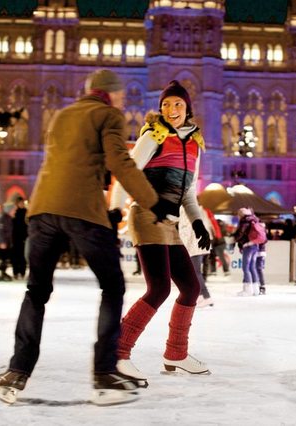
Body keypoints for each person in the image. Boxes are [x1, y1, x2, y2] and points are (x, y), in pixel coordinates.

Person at [0, 69, 159, 406]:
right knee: (112, 285)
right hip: (81, 211)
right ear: (109, 94)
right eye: (121, 95)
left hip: (42, 210)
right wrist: (153, 201)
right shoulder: (109, 114)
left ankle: (17, 370)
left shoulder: (64, 114)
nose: (123, 100)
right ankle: (104, 374)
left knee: (36, 291)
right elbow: (120, 161)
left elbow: (74, 159)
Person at [110, 80, 211, 383]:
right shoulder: (153, 137)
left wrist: (197, 222)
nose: (171, 109)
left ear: (188, 108)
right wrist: (115, 208)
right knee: (159, 289)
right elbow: (126, 173)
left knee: (191, 288)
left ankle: (176, 354)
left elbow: (189, 192)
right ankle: (117, 353)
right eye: (166, 104)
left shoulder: (194, 144)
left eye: (177, 104)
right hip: (146, 215)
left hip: (170, 222)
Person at [178, 206, 214, 308]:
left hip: (194, 246)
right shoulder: (199, 209)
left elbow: (185, 230)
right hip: (200, 245)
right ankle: (203, 297)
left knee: (195, 273)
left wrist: (184, 247)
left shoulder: (185, 209)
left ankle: (205, 297)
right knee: (195, 273)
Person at [233, 207, 264, 296]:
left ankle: (248, 290)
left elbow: (240, 233)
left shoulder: (245, 221)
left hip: (248, 246)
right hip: (255, 245)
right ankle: (256, 289)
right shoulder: (254, 219)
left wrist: (233, 239)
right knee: (252, 267)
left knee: (245, 267)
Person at [0, 203, 15, 282]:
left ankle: (3, 273)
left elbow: (9, 232)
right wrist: (2, 242)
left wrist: (9, 242)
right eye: (13, 210)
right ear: (9, 210)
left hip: (5, 242)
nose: (15, 211)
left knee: (5, 259)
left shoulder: (9, 218)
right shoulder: (2, 218)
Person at [11, 197, 28, 280]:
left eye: (23, 203)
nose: (22, 204)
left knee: (23, 256)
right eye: (20, 203)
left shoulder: (27, 213)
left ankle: (22, 272)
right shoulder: (15, 213)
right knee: (15, 256)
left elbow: (28, 225)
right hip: (15, 238)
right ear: (17, 204)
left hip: (24, 237)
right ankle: (15, 272)